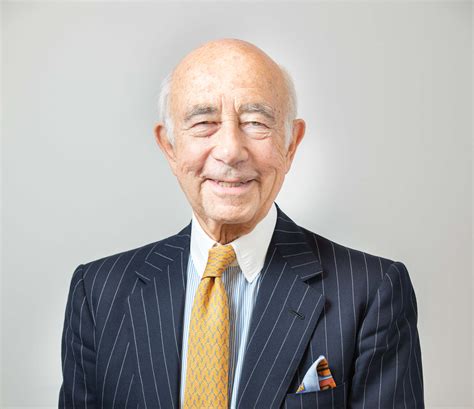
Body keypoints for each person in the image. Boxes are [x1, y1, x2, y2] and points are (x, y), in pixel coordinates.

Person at [59, 38, 424, 409]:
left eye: (255, 122)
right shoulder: (99, 293)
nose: (231, 150)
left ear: (291, 144)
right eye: (204, 123)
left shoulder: (371, 292)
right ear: (169, 146)